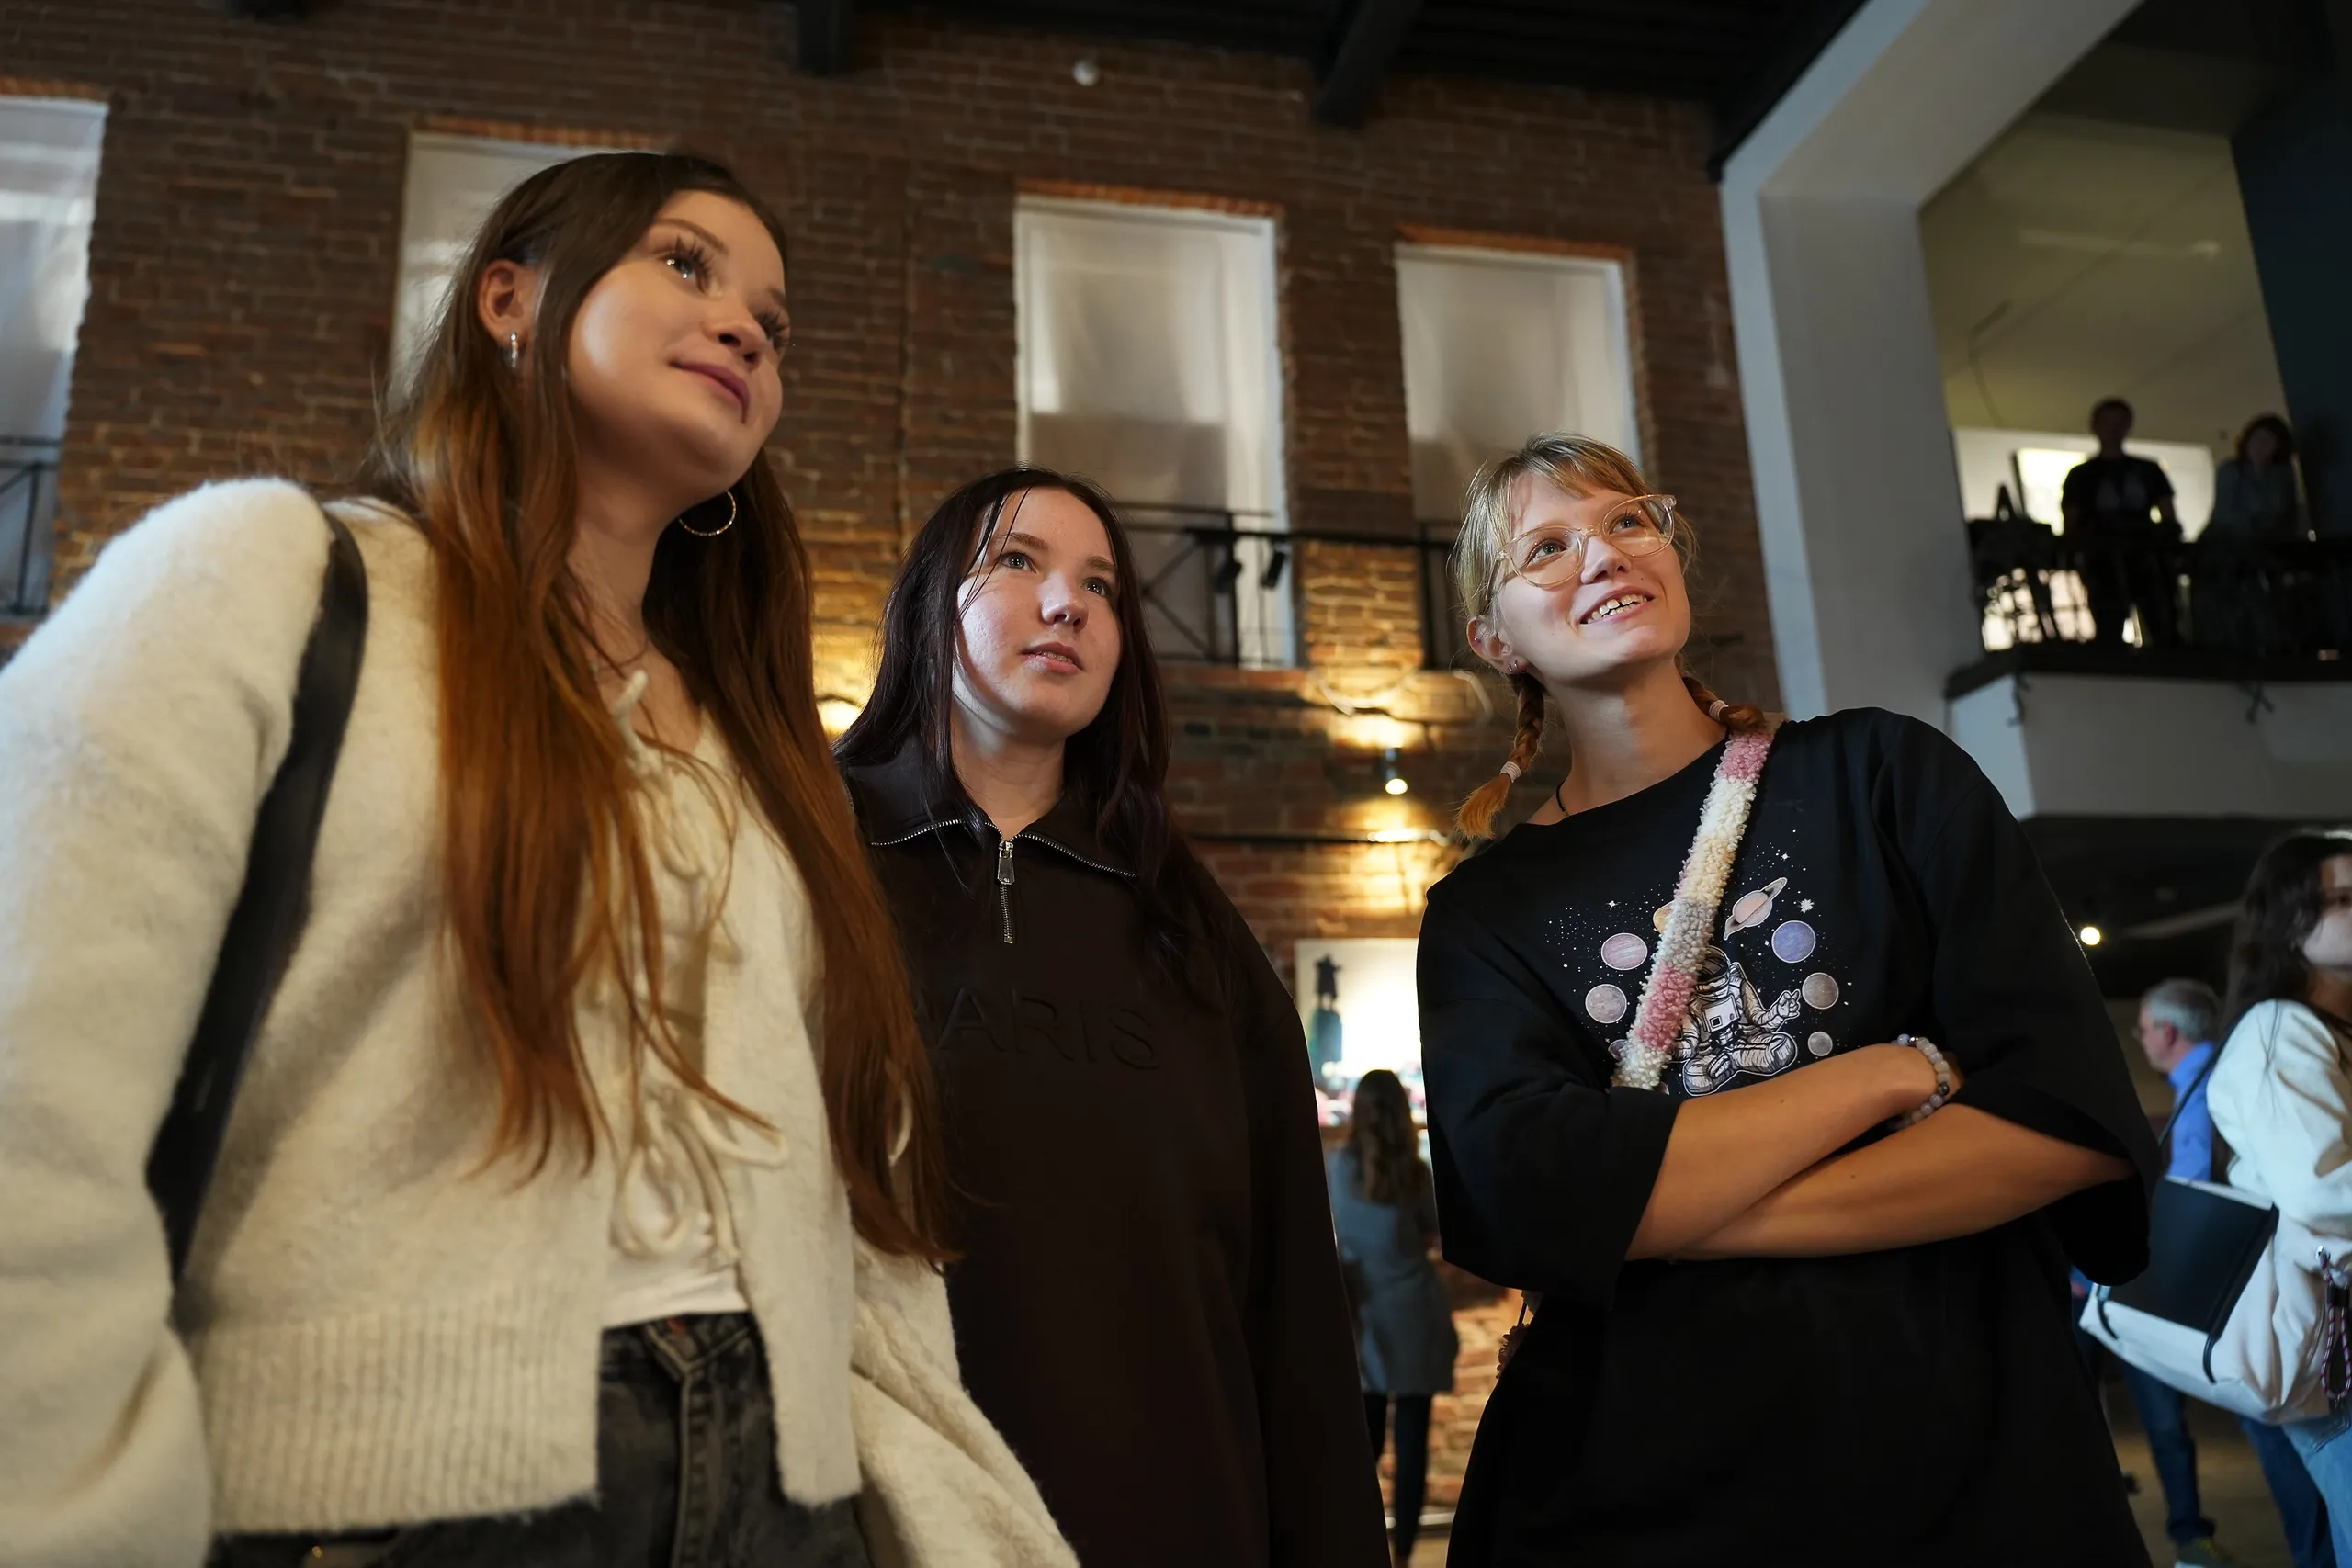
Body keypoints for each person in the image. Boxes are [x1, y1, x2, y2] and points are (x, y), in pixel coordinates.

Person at [0, 153, 1069, 1568]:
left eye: (775, 322)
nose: (746, 328)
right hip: (400, 1498)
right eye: (683, 263)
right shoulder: (275, 580)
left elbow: (849, 1178)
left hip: (784, 1490)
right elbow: (33, 1079)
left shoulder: (759, 746)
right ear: (508, 298)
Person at [1419, 433, 2158, 1566]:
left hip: (1970, 1471)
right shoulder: (1486, 915)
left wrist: (1653, 1221)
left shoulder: (1882, 778)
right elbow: (1531, 1203)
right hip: (1639, 1499)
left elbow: (2062, 1123)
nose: (1603, 555)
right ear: (1494, 640)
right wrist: (1892, 1072)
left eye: (1627, 521)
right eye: (1547, 548)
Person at [834, 467, 1388, 1568]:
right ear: (928, 600)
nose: (1067, 604)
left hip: (1177, 1517)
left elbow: (1291, 1300)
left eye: (1101, 586)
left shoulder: (1192, 929)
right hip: (884, 1521)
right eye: (1018, 561)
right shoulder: (813, 858)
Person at [2120, 978, 2332, 1568]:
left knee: (2279, 1427)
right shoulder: (2236, 1066)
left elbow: (2191, 1195)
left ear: (2168, 1032)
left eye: (2143, 1028)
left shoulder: (2205, 1087)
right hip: (2279, 1279)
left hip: (2242, 1290)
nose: (2141, 1039)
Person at [2208, 831, 2352, 1564]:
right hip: (2330, 1349)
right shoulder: (2279, 1029)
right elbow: (2322, 1190)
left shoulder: (2323, 1028)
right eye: (2344, 898)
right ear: (2290, 919)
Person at [1329, 1069, 1459, 1568]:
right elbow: (1434, 1233)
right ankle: (1403, 1555)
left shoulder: (1339, 1167)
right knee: (1412, 1441)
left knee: (1363, 1442)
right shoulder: (1415, 1173)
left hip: (1363, 1312)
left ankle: (1356, 1545)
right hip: (1415, 1310)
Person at [2063, 397, 2181, 648]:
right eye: (2108, 422)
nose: (2113, 429)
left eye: (2119, 423)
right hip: (2104, 561)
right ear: (2095, 426)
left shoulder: (2148, 470)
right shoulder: (2081, 475)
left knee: (2162, 626)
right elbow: (2071, 523)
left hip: (2146, 559)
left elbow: (2169, 517)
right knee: (2111, 627)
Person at [2209, 416, 2303, 540]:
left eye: (2268, 441)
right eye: (2257, 438)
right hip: (2227, 541)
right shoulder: (2231, 470)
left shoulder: (2282, 476)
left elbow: (2289, 518)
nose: (2260, 445)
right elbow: (2226, 515)